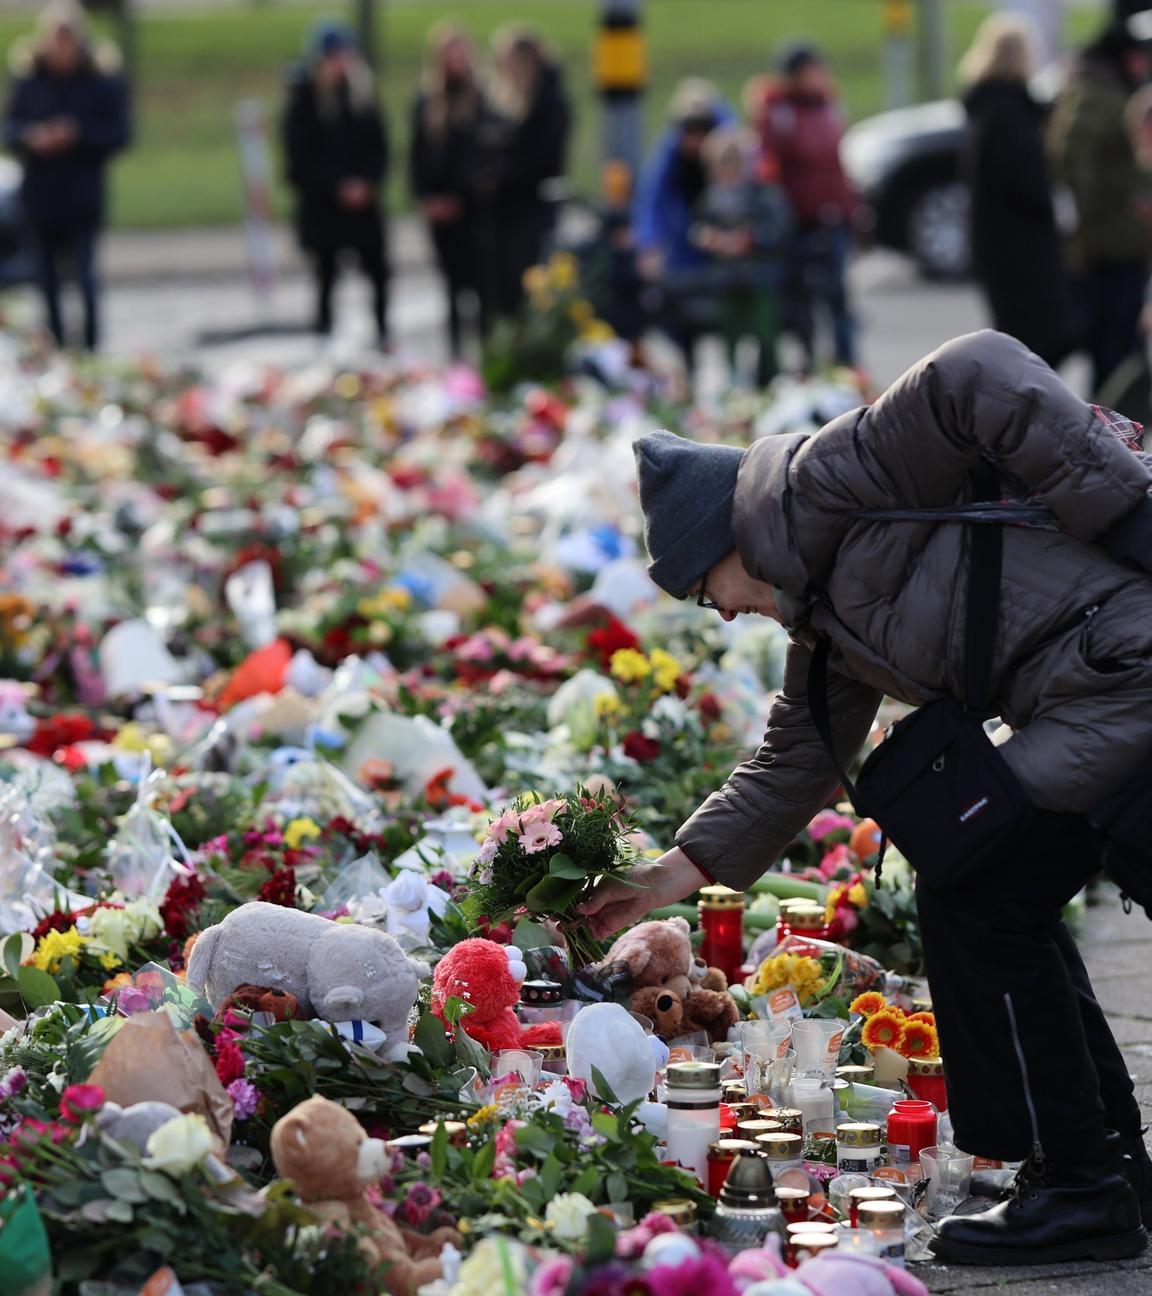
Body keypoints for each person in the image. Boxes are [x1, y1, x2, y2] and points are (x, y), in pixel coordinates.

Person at [578, 329, 1152, 1266]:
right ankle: (1104, 1168)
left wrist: (1134, 517)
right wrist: (664, 877)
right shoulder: (822, 610)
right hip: (1090, 687)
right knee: (990, 887)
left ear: (731, 537)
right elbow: (797, 756)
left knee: (981, 891)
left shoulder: (831, 483)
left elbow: (979, 371)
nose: (718, 611)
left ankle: (1085, 1183)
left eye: (702, 589)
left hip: (1120, 667)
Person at [1, 0, 129, 352]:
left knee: (85, 281)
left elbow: (119, 134)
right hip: (40, 197)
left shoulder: (98, 80)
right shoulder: (30, 79)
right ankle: (56, 349)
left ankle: (90, 347)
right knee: (47, 283)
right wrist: (33, 137)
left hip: (81, 195)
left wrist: (77, 134)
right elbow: (10, 129)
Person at [959, 15, 1070, 367]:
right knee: (1034, 350)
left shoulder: (984, 109)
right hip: (1023, 251)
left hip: (996, 247)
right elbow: (1027, 185)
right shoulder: (1010, 115)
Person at [1048, 22, 1152, 396]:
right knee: (1115, 346)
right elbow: (1075, 169)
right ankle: (1114, 428)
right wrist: (1093, 224)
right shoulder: (1100, 96)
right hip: (1111, 243)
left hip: (1110, 240)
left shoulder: (1092, 90)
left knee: (1115, 344)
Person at [282, 20, 390, 344]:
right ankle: (325, 340)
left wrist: (366, 183)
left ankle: (383, 336)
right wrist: (337, 185)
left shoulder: (361, 97)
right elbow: (299, 161)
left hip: (363, 205)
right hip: (324, 206)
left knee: (379, 273)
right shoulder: (304, 103)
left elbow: (379, 149)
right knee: (326, 278)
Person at [749, 45, 856, 369]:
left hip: (832, 219)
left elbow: (838, 166)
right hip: (797, 224)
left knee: (838, 297)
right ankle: (807, 362)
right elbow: (768, 170)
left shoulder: (829, 109)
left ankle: (846, 364)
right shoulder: (778, 115)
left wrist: (851, 210)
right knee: (801, 300)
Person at [472, 26, 570, 326]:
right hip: (498, 212)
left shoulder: (548, 103)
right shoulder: (499, 100)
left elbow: (544, 160)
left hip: (530, 210)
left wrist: (500, 176)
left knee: (526, 290)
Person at [633, 79, 730, 369]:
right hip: (685, 248)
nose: (695, 141)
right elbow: (653, 199)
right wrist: (649, 244)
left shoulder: (730, 151)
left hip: (724, 252)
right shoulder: (670, 155)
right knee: (677, 313)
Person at [691, 125, 789, 387]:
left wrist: (750, 239)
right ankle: (735, 385)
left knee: (764, 334)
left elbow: (779, 229)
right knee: (730, 336)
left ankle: (770, 381)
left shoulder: (760, 194)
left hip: (758, 276)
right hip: (726, 278)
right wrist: (710, 239)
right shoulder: (710, 199)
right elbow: (697, 229)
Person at [409, 23, 482, 358]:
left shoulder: (480, 98)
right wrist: (426, 197)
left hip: (472, 210)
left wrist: (460, 196)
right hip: (439, 211)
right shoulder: (427, 101)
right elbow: (417, 154)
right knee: (450, 286)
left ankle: (483, 353)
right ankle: (456, 356)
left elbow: (479, 157)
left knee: (477, 286)